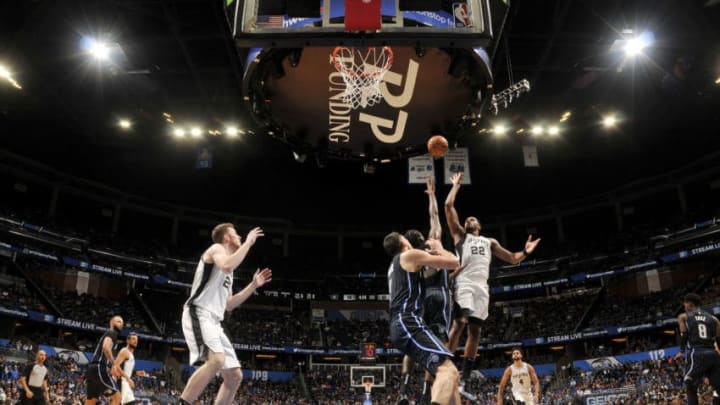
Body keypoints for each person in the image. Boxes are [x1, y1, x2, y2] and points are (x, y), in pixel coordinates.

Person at [444, 172, 541, 400]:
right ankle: (443, 364)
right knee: (460, 322)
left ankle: (464, 379)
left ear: (479, 225)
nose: (469, 220)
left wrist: (525, 252)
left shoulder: (490, 242)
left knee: (475, 332)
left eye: (472, 219)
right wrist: (456, 186)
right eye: (467, 219)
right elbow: (448, 206)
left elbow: (513, 258)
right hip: (464, 282)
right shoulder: (460, 236)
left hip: (482, 287)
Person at [179, 223, 272, 405]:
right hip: (199, 312)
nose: (239, 236)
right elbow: (227, 266)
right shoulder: (216, 249)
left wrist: (253, 286)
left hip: (214, 322)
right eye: (236, 234)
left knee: (235, 376)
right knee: (217, 360)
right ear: (227, 238)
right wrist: (248, 243)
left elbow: (229, 305)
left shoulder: (230, 272)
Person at [398, 176, 460, 405]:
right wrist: (432, 194)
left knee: (415, 343)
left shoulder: (410, 260)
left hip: (421, 301)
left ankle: (403, 390)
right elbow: (434, 216)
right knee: (438, 347)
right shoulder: (434, 244)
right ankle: (425, 392)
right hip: (440, 297)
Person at [385, 231, 461, 405]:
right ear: (403, 242)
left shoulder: (394, 266)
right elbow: (454, 262)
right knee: (448, 372)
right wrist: (440, 248)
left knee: (451, 378)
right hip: (408, 322)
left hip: (401, 324)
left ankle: (410, 392)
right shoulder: (409, 255)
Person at [673, 293, 720, 405]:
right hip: (713, 354)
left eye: (685, 303)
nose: (684, 306)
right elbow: (718, 338)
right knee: (718, 387)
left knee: (689, 382)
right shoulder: (714, 319)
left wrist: (681, 351)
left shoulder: (683, 317)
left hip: (697, 352)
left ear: (689, 304)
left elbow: (684, 334)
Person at [85, 316, 124, 405]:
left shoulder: (107, 334)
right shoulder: (112, 332)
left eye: (122, 323)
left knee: (90, 401)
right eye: (118, 321)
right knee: (117, 398)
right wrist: (113, 365)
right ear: (111, 323)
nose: (121, 324)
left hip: (91, 369)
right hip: (99, 367)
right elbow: (106, 348)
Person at [114, 333, 138, 405]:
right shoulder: (124, 351)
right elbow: (116, 366)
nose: (135, 341)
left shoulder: (131, 354)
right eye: (133, 339)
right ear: (128, 340)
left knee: (131, 403)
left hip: (126, 383)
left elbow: (125, 369)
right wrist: (129, 379)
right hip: (121, 382)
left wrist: (136, 373)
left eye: (136, 339)